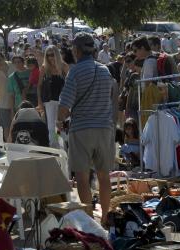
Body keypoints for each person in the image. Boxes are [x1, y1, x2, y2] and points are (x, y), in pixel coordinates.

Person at [57, 32, 113, 225]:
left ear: (76, 50)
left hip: (82, 129)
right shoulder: (105, 70)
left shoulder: (76, 71)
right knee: (104, 176)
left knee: (82, 177)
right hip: (105, 128)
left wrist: (59, 120)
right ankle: (105, 217)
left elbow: (65, 105)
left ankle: (89, 220)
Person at [37, 45, 69, 148]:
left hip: (63, 101)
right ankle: (55, 149)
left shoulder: (64, 66)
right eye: (48, 55)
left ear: (57, 54)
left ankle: (65, 148)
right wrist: (39, 102)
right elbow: (39, 86)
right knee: (51, 127)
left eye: (52, 54)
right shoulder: (44, 68)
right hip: (49, 100)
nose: (51, 57)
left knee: (62, 126)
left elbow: (71, 84)